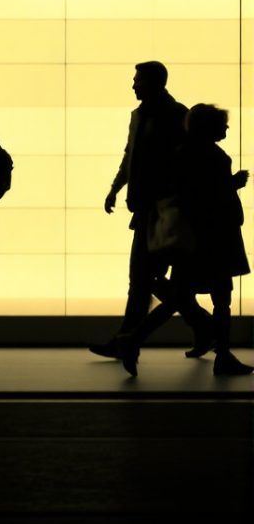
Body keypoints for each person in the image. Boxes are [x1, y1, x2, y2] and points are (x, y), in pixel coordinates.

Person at [114, 104, 247, 377]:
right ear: (209, 127)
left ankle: (133, 340)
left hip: (192, 239)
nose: (226, 128)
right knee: (221, 299)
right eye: (222, 124)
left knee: (178, 297)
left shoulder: (180, 155)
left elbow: (186, 195)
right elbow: (209, 196)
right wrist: (232, 184)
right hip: (215, 236)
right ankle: (223, 355)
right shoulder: (215, 157)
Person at [90, 61, 208, 360]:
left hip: (166, 212)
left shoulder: (173, 114)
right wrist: (116, 187)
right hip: (151, 210)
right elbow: (131, 155)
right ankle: (200, 325)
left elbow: (181, 160)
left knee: (143, 280)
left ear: (154, 82)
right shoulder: (146, 115)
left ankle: (127, 339)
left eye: (138, 80)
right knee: (146, 280)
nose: (133, 85)